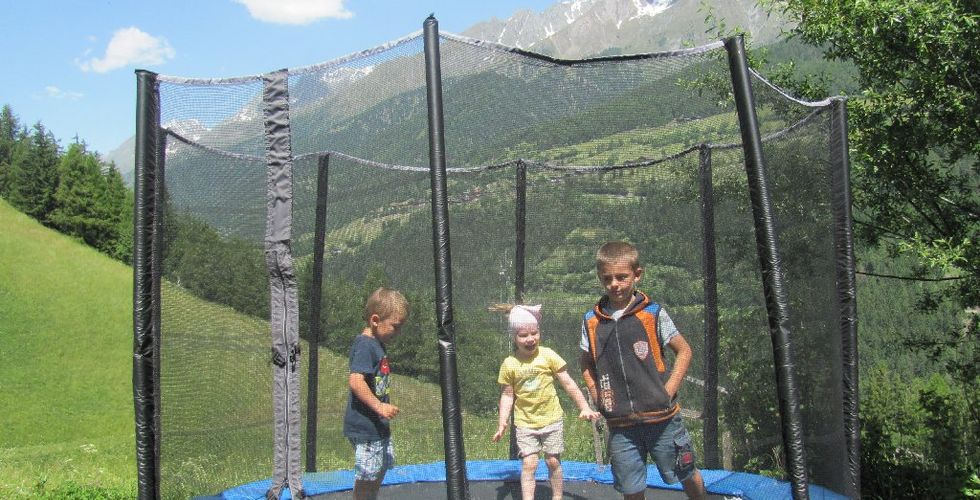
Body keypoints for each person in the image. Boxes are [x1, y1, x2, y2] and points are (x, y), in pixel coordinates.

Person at [579, 241, 707, 500]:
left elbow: (684, 350)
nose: (614, 284)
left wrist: (669, 390)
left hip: (662, 419)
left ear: (637, 275)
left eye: (622, 277)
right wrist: (595, 392)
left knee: (686, 471)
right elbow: (585, 362)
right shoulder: (591, 321)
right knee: (631, 488)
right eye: (607, 278)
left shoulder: (652, 313)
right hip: (620, 424)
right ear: (600, 278)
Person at [490, 303, 601, 500]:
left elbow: (568, 383)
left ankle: (557, 497)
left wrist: (584, 406)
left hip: (552, 420)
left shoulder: (548, 355)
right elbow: (507, 395)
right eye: (523, 335)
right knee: (529, 463)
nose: (530, 339)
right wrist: (502, 423)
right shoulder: (510, 364)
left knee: (553, 462)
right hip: (525, 423)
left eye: (534, 333)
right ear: (514, 337)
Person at [344, 287, 409, 500]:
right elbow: (356, 381)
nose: (398, 333)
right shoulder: (365, 345)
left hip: (378, 425)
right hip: (365, 425)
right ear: (375, 320)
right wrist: (379, 406)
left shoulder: (377, 344)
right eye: (395, 327)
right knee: (367, 476)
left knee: (379, 469)